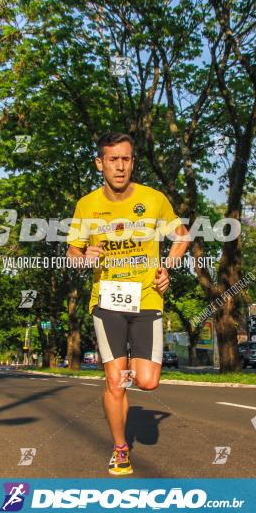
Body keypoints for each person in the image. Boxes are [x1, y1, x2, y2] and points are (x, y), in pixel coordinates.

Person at [66, 132, 190, 476]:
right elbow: (72, 253)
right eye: (113, 159)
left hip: (147, 296)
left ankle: (122, 376)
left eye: (126, 159)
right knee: (116, 380)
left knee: (147, 381)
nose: (120, 166)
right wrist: (83, 255)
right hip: (106, 301)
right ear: (100, 163)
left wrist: (168, 265)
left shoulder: (153, 200)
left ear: (133, 161)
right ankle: (121, 448)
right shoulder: (86, 205)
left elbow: (182, 236)